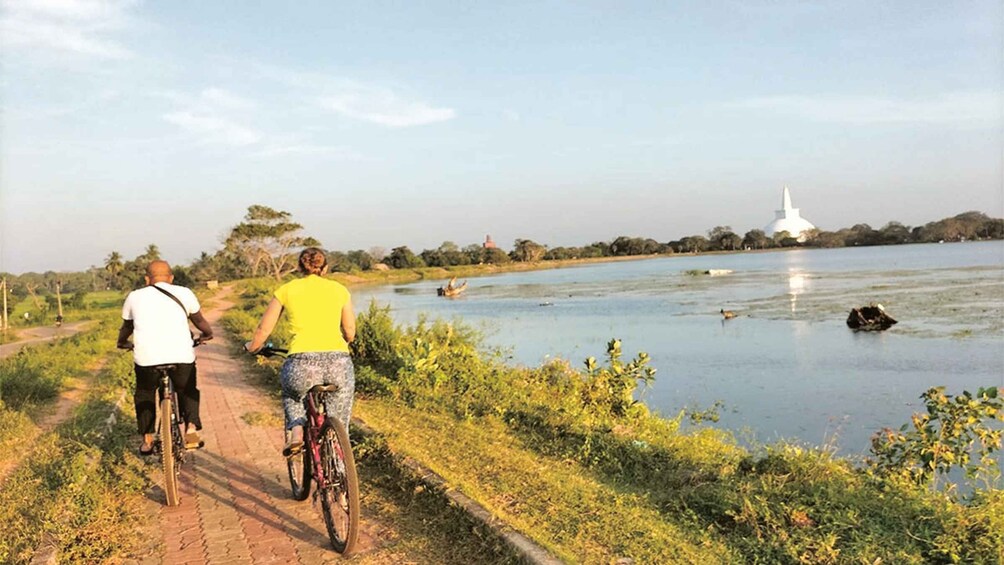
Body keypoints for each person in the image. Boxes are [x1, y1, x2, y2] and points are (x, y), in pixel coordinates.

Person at [244, 247, 356, 456]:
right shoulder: (340, 290)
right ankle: (340, 469)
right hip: (338, 362)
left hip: (301, 362)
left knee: (292, 395)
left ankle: (296, 432)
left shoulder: (286, 290)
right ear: (325, 268)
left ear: (299, 267)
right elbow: (350, 331)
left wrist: (252, 347)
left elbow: (264, 329)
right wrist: (346, 340)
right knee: (339, 418)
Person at [117, 260, 213, 455]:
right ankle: (191, 429)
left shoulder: (134, 297)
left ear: (147, 279)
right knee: (187, 389)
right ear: (171, 278)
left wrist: (122, 342)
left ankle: (147, 440)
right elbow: (199, 320)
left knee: (145, 393)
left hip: (146, 359)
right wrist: (207, 334)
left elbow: (127, 327)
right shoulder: (184, 293)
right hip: (181, 357)